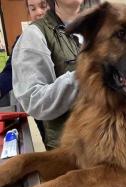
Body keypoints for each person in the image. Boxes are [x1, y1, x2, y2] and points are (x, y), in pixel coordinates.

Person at [12, 0, 99, 151]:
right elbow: (34, 99)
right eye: (32, 8)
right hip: (71, 150)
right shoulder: (34, 35)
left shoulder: (101, 25)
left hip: (111, 142)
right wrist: (83, 76)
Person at [0, 0, 49, 141]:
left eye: (43, 6)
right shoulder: (23, 41)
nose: (38, 12)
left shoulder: (68, 34)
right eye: (32, 9)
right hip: (44, 115)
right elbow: (10, 72)